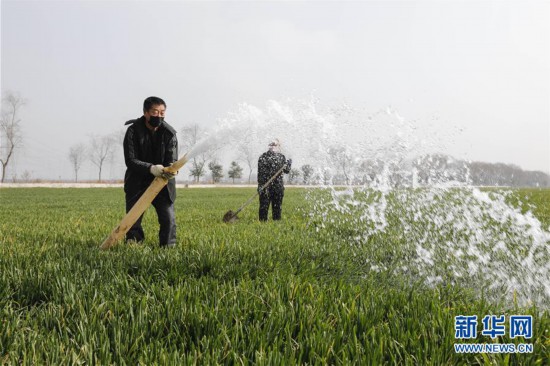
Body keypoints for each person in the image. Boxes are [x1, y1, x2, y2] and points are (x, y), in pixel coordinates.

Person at [123, 96, 178, 248]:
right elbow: (130, 160)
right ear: (146, 113)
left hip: (162, 182)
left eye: (162, 112)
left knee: (168, 218)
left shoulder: (169, 134)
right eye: (155, 112)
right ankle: (134, 245)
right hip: (138, 181)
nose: (159, 116)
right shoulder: (133, 131)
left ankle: (168, 247)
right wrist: (151, 168)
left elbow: (172, 159)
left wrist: (171, 170)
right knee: (133, 219)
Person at [257, 139, 292, 221]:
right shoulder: (263, 157)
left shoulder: (281, 157)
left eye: (275, 145)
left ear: (278, 146)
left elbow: (286, 171)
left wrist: (289, 164)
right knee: (263, 208)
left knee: (277, 208)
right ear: (269, 146)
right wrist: (261, 186)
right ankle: (262, 225)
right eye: (271, 144)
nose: (273, 146)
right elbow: (260, 173)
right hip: (265, 187)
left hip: (278, 187)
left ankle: (276, 224)